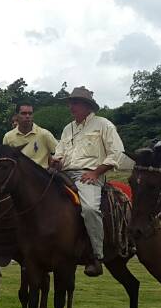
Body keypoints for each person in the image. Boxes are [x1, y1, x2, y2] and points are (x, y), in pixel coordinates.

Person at [51, 87, 123, 277]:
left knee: (90, 208)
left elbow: (116, 152)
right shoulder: (68, 128)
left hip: (88, 174)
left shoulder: (104, 125)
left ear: (87, 105)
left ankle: (96, 256)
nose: (71, 106)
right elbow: (59, 152)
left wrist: (96, 172)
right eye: (70, 102)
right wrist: (55, 161)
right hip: (63, 173)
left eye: (75, 102)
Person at [2, 102, 58, 169]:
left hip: (41, 176)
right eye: (24, 113)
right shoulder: (8, 137)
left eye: (30, 113)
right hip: (18, 177)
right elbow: (5, 161)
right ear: (16, 115)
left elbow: (59, 153)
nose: (27, 116)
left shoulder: (44, 134)